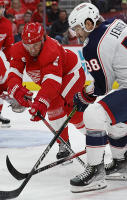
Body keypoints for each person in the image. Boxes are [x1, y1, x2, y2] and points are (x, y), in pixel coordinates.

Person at [68, 3, 127, 192]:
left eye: (78, 28)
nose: (76, 34)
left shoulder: (92, 44)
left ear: (88, 23)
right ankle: (121, 165)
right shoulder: (116, 23)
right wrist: (89, 92)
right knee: (116, 122)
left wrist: (84, 96)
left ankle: (96, 173)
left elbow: (103, 86)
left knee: (94, 115)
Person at [7, 22, 86, 160]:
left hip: (71, 74)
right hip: (56, 80)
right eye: (28, 45)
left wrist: (41, 102)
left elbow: (52, 83)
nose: (32, 49)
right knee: (55, 108)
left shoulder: (51, 49)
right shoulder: (17, 49)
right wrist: (16, 90)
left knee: (62, 108)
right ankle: (65, 143)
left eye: (36, 44)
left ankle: (94, 136)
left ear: (43, 38)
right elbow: (14, 74)